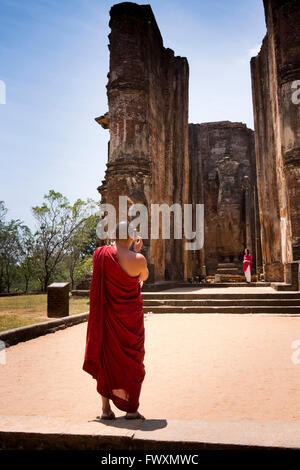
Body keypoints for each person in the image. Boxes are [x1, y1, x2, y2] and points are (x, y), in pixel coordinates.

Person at [83, 221, 149, 420]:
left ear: (113, 235)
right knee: (132, 361)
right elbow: (143, 277)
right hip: (130, 321)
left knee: (106, 357)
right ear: (131, 238)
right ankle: (131, 409)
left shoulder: (101, 255)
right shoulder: (138, 259)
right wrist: (137, 251)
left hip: (107, 318)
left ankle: (105, 409)